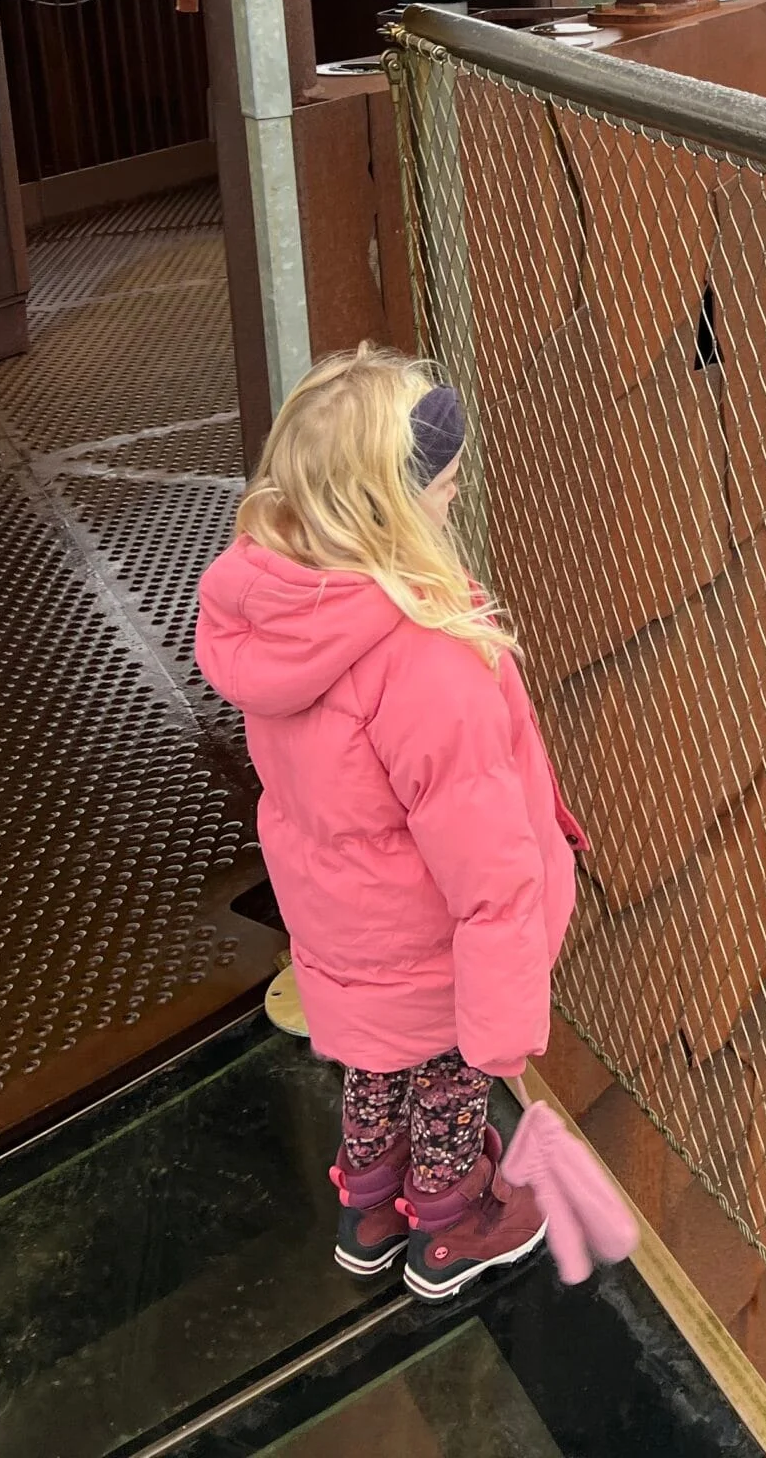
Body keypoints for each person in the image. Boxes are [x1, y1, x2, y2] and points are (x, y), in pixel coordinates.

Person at [195, 347, 587, 1301]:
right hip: (436, 958)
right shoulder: (426, 664)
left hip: (349, 940)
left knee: (376, 1067)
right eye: (445, 488)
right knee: (451, 1085)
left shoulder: (282, 625)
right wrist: (499, 1030)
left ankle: (369, 1204)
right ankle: (451, 1225)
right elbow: (489, 867)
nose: (456, 498)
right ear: (388, 511)